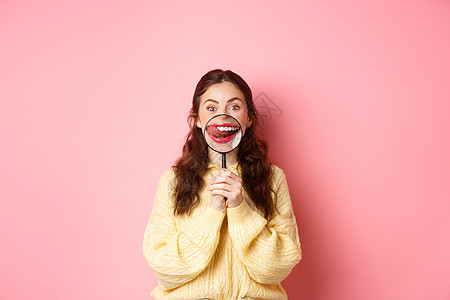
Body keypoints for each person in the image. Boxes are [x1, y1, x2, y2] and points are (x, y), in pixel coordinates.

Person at [142, 69, 302, 300]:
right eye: (211, 108)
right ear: (197, 119)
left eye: (234, 107)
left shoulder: (272, 178)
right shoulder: (172, 181)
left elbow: (277, 267)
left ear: (249, 118)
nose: (223, 116)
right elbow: (165, 270)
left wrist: (241, 209)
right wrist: (213, 211)